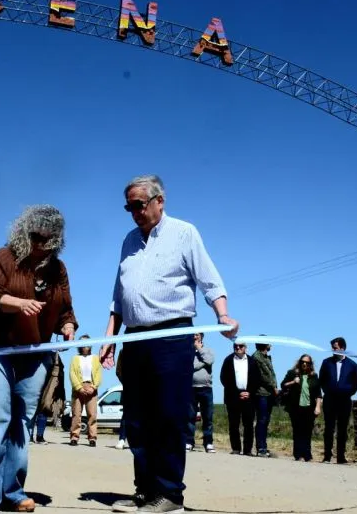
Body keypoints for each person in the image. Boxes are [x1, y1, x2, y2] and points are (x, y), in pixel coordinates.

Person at [99, 175, 239, 514]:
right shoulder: (129, 240)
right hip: (134, 337)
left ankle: (170, 495)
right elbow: (120, 295)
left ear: (159, 201)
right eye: (128, 207)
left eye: (138, 205)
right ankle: (145, 491)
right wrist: (111, 337)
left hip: (172, 335)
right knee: (136, 418)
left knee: (168, 415)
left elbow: (209, 279)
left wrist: (222, 316)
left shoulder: (184, 233)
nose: (134, 212)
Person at [0, 205, 77, 514]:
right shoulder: (4, 257)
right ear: (24, 233)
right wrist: (19, 303)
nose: (43, 243)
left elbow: (65, 308)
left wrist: (67, 326)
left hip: (34, 353)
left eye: (49, 239)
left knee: (22, 419)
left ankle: (12, 490)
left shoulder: (58, 269)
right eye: (37, 237)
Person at [318, 336, 357, 464]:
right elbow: (322, 380)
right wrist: (328, 391)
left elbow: (356, 383)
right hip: (330, 399)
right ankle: (327, 456)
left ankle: (341, 457)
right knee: (329, 428)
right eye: (332, 347)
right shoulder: (326, 363)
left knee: (342, 429)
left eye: (335, 347)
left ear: (342, 348)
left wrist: (347, 392)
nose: (333, 349)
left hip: (344, 401)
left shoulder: (352, 365)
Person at [281, 354, 322, 462]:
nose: (304, 364)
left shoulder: (314, 376)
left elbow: (318, 393)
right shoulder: (292, 373)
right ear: (299, 362)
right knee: (297, 431)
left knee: (307, 431)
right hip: (295, 407)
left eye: (307, 363)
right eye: (302, 362)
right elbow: (283, 385)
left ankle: (307, 455)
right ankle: (298, 454)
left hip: (309, 407)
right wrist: (293, 382)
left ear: (310, 364)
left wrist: (318, 407)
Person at [220, 342, 257, 457]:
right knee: (234, 424)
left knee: (249, 425)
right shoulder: (228, 360)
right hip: (233, 397)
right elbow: (224, 379)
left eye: (241, 346)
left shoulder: (252, 361)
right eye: (235, 346)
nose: (238, 348)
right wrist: (237, 393)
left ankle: (247, 450)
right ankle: (236, 448)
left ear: (245, 348)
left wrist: (249, 392)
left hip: (248, 397)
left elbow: (257, 378)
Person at [69, 335, 102, 447]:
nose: (85, 345)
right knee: (76, 414)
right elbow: (72, 373)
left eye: (88, 342)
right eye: (83, 343)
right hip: (78, 388)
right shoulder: (75, 358)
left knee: (92, 414)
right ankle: (74, 437)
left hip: (91, 387)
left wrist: (93, 387)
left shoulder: (96, 358)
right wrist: (79, 387)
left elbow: (98, 374)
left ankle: (92, 438)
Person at [185, 333, 215, 453]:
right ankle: (189, 442)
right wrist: (203, 363)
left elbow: (210, 360)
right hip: (191, 388)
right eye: (193, 335)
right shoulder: (188, 351)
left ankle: (208, 443)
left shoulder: (208, 350)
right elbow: (189, 366)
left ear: (201, 337)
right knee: (190, 417)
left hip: (206, 388)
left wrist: (199, 350)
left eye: (197, 335)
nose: (195, 337)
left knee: (207, 417)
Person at [252, 339, 278, 458]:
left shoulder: (266, 357)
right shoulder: (258, 357)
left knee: (266, 420)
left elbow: (271, 374)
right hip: (261, 392)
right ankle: (260, 447)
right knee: (262, 420)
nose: (271, 344)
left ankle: (264, 446)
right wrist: (274, 387)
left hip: (269, 393)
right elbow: (265, 375)